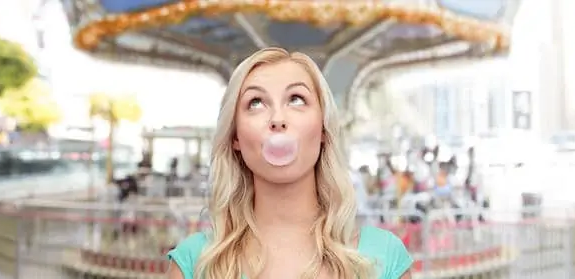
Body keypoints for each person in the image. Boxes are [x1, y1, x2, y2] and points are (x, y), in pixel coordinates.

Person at [167, 48, 412, 279]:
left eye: (296, 99)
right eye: (256, 103)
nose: (277, 119)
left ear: (324, 129)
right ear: (235, 137)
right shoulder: (194, 263)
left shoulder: (384, 258)